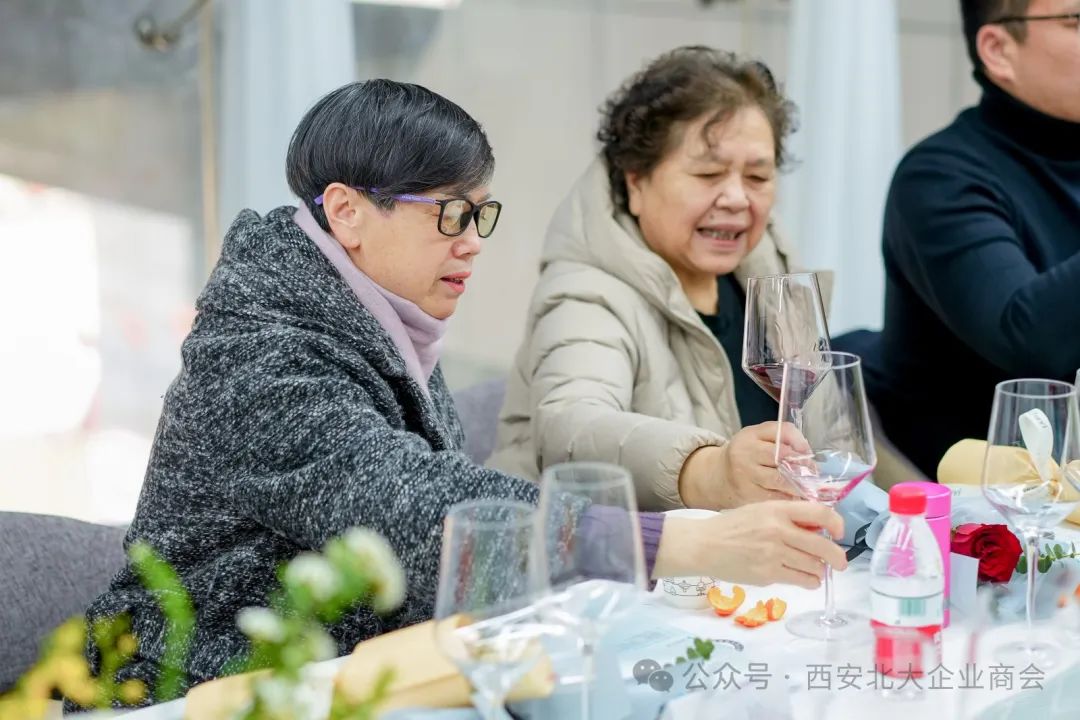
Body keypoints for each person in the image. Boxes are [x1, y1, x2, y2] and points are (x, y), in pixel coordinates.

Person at [75, 80, 847, 704]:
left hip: (349, 674)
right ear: (347, 212)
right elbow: (413, 504)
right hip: (200, 687)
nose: (474, 243)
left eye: (481, 214)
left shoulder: (369, 310)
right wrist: (683, 542)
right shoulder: (261, 352)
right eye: (452, 214)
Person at [489, 47, 827, 512]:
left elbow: (824, 433)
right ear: (636, 183)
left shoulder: (770, 267)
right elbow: (572, 428)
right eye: (708, 173)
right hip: (590, 549)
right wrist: (708, 470)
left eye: (757, 176)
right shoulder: (586, 294)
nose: (736, 198)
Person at [837, 0, 1080, 478]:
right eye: (1076, 20)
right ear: (998, 49)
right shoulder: (939, 177)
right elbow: (1028, 342)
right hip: (965, 499)